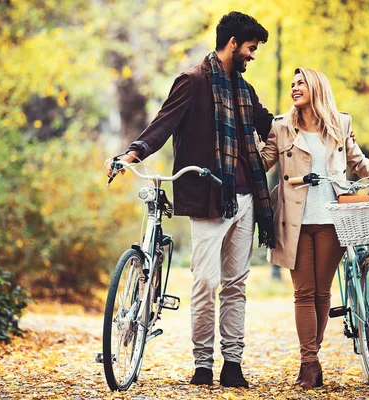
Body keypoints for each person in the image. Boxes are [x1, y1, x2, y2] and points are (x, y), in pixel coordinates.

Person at [104, 12, 275, 388]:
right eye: (250, 48)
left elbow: (270, 126)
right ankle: (202, 364)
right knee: (205, 282)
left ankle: (232, 363)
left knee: (236, 284)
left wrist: (314, 117)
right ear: (233, 43)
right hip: (210, 198)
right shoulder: (194, 81)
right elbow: (164, 123)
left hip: (245, 199)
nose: (252, 55)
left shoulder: (244, 91)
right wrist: (131, 155)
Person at [258, 68, 369, 389]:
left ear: (316, 87)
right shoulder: (281, 127)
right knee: (303, 292)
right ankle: (309, 363)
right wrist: (241, 150)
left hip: (333, 219)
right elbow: (262, 161)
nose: (295, 88)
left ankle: (310, 358)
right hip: (293, 221)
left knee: (322, 292)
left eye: (301, 83)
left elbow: (358, 162)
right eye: (293, 84)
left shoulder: (340, 123)